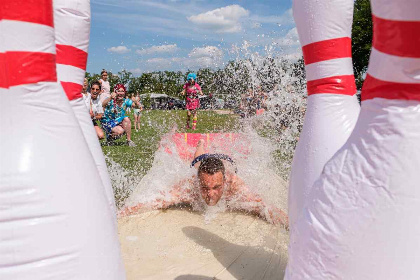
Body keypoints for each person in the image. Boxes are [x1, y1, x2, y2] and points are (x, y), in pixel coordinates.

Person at [121, 139, 289, 228]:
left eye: (216, 188)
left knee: (224, 164)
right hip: (201, 163)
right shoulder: (188, 186)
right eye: (204, 187)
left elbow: (264, 207)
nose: (210, 194)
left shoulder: (235, 186)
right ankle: (200, 144)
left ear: (224, 182)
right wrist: (120, 214)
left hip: (226, 163)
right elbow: (158, 200)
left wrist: (295, 227)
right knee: (197, 161)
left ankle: (213, 153)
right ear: (197, 182)